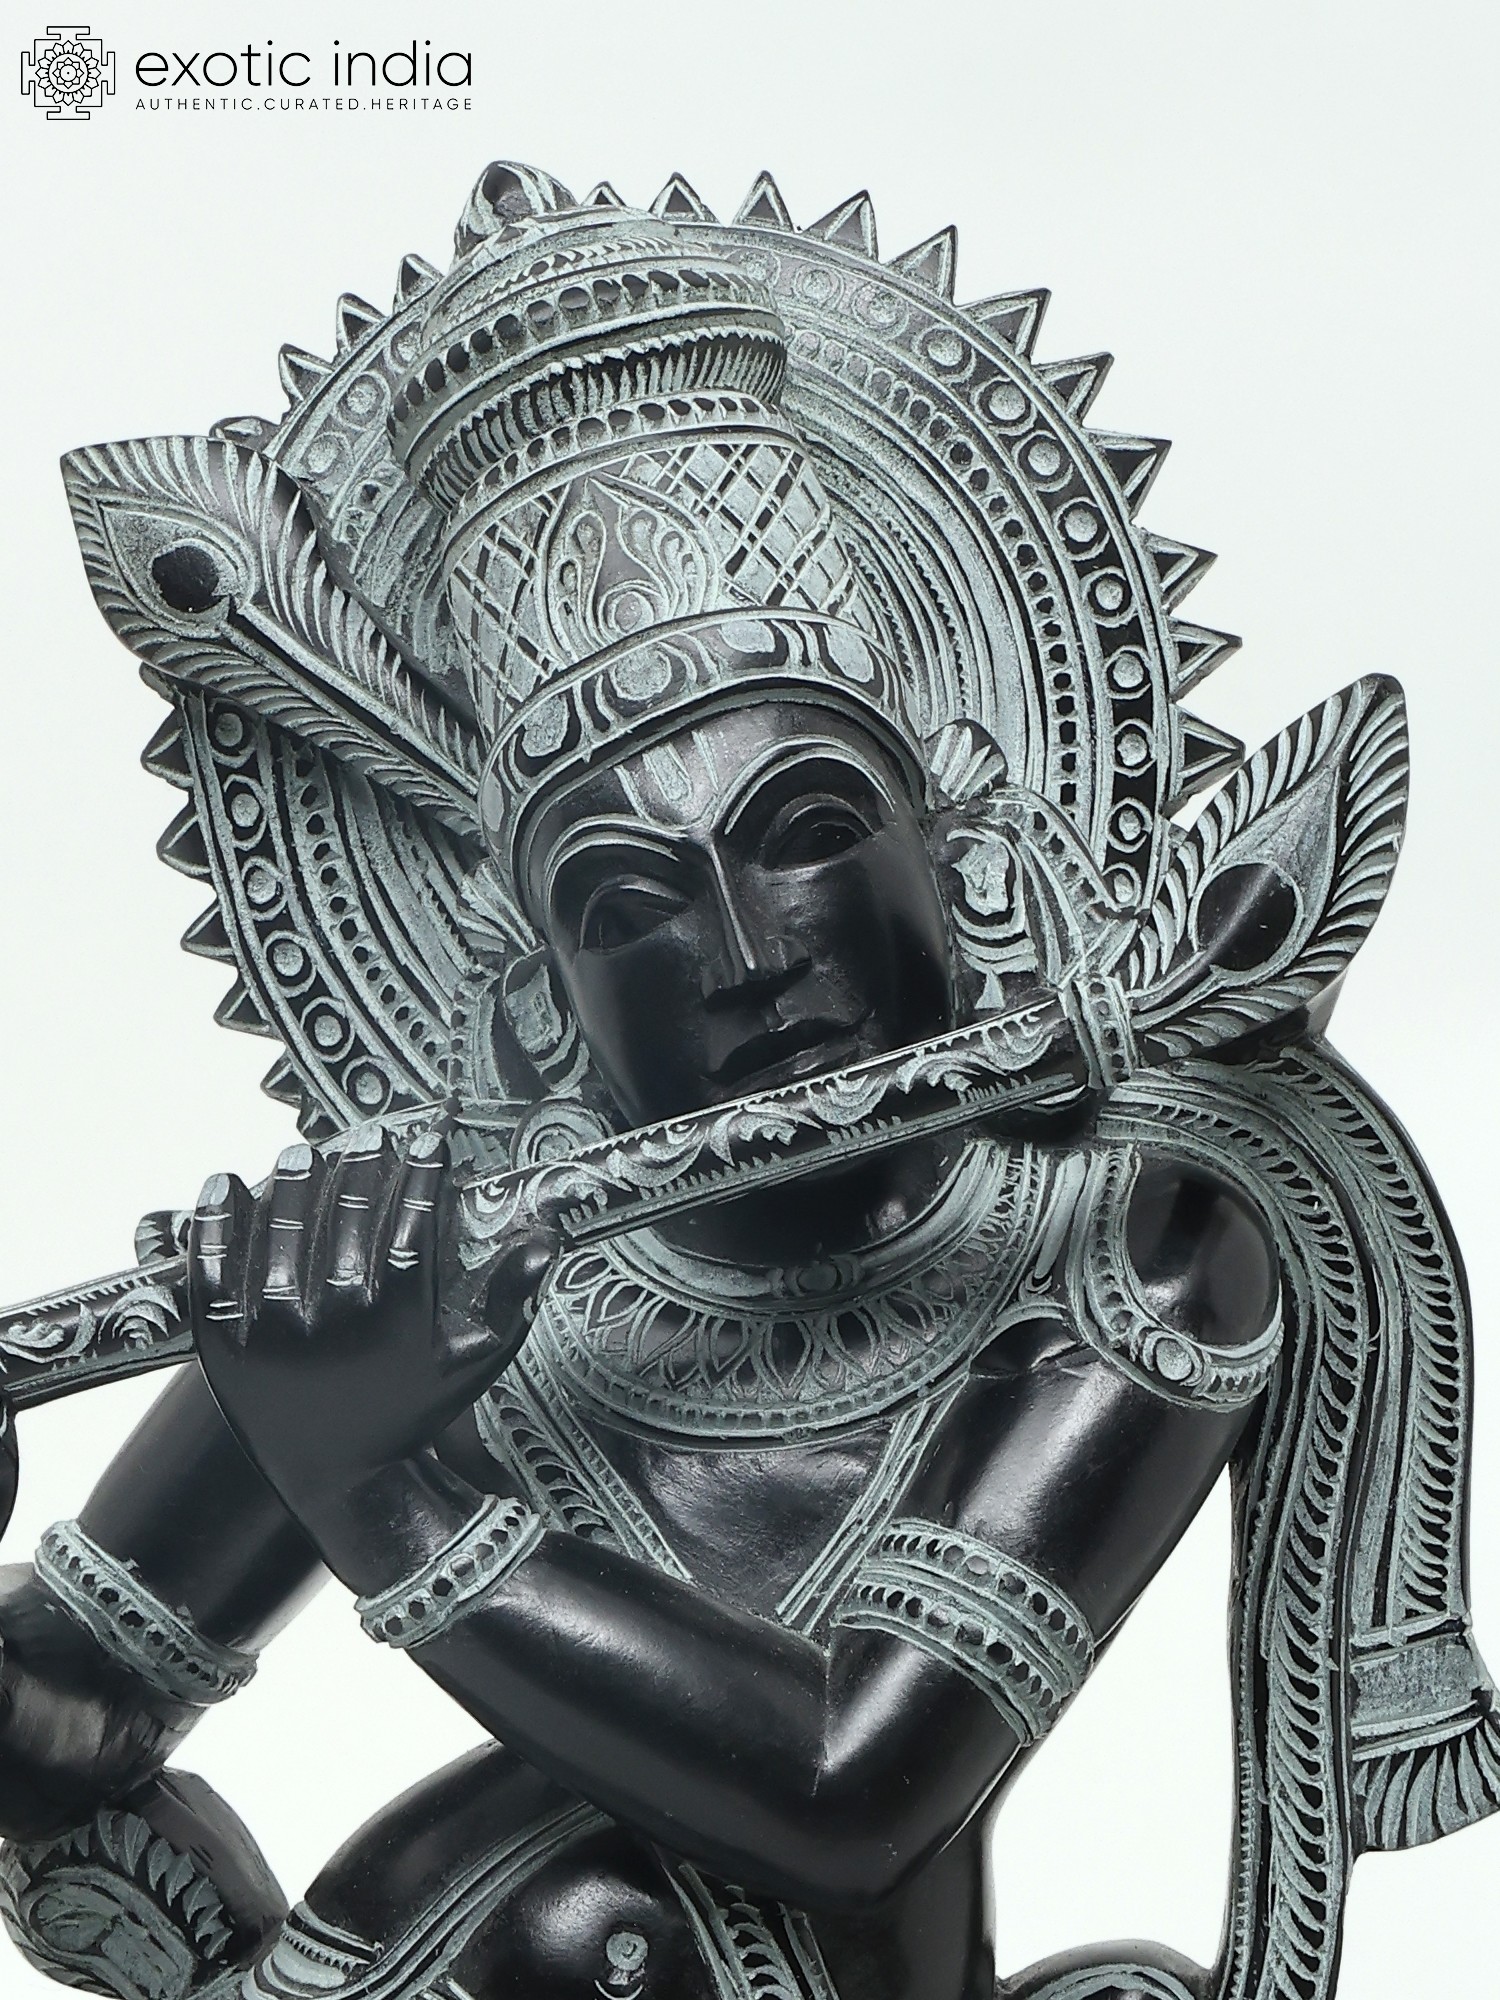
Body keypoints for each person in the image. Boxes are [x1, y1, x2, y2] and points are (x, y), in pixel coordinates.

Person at [0, 163, 1490, 2000]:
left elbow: (855, 1791)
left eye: (805, 831)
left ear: (972, 870)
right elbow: (58, 1728)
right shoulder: (410, 1284)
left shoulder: (1131, 1247)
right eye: (627, 904)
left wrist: (377, 1491)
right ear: (540, 1014)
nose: (744, 948)